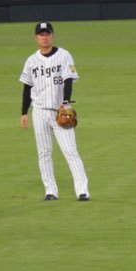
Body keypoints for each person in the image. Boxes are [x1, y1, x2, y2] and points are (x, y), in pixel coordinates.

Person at [19, 22, 90, 201]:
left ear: (53, 36)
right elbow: (27, 88)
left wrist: (65, 103)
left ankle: (83, 191)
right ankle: (50, 191)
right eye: (41, 34)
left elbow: (68, 80)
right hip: (39, 111)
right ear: (36, 38)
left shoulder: (64, 56)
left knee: (70, 150)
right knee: (44, 152)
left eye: (47, 33)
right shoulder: (31, 61)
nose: (45, 37)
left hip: (60, 110)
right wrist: (23, 113)